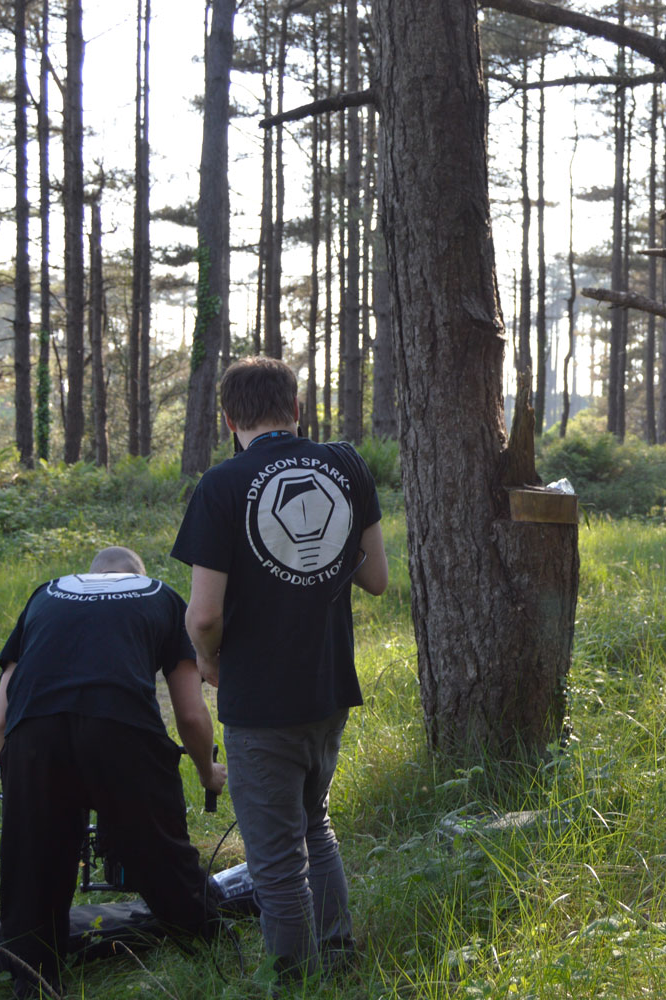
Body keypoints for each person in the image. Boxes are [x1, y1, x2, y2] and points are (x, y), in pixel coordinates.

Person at [171, 356, 388, 985]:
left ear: (229, 417)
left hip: (260, 701)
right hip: (327, 690)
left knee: (273, 858)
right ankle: (339, 954)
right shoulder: (346, 465)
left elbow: (204, 614)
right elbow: (375, 579)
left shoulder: (220, 485)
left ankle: (293, 980)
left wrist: (209, 663)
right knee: (313, 825)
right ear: (296, 409)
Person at [0, 545, 227, 998]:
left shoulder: (45, 595)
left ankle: (34, 980)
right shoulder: (160, 595)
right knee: (161, 850)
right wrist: (206, 772)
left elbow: (0, 719)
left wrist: (17, 787)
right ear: (136, 575)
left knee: (33, 863)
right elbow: (192, 717)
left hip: (34, 736)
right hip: (121, 729)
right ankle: (210, 946)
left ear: (92, 574)